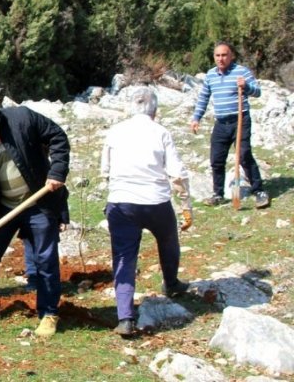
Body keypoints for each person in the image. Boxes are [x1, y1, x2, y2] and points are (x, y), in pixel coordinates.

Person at [0, 89, 69, 338]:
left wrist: (57, 172)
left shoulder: (22, 118)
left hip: (39, 201)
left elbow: (58, 137)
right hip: (3, 208)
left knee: (45, 259)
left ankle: (49, 314)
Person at [102, 88, 193, 337]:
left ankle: (125, 317)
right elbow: (177, 173)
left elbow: (105, 169)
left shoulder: (115, 131)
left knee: (123, 257)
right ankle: (172, 282)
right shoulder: (161, 132)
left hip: (121, 203)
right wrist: (187, 206)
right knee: (168, 239)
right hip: (155, 202)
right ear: (155, 110)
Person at [190, 41, 270, 209]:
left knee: (243, 155)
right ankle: (218, 194)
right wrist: (196, 117)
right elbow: (204, 98)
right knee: (216, 159)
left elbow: (257, 91)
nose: (221, 59)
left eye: (224, 55)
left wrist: (246, 86)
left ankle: (259, 191)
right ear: (214, 57)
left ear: (231, 56)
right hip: (221, 123)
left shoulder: (241, 72)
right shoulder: (210, 75)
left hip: (240, 120)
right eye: (217, 55)